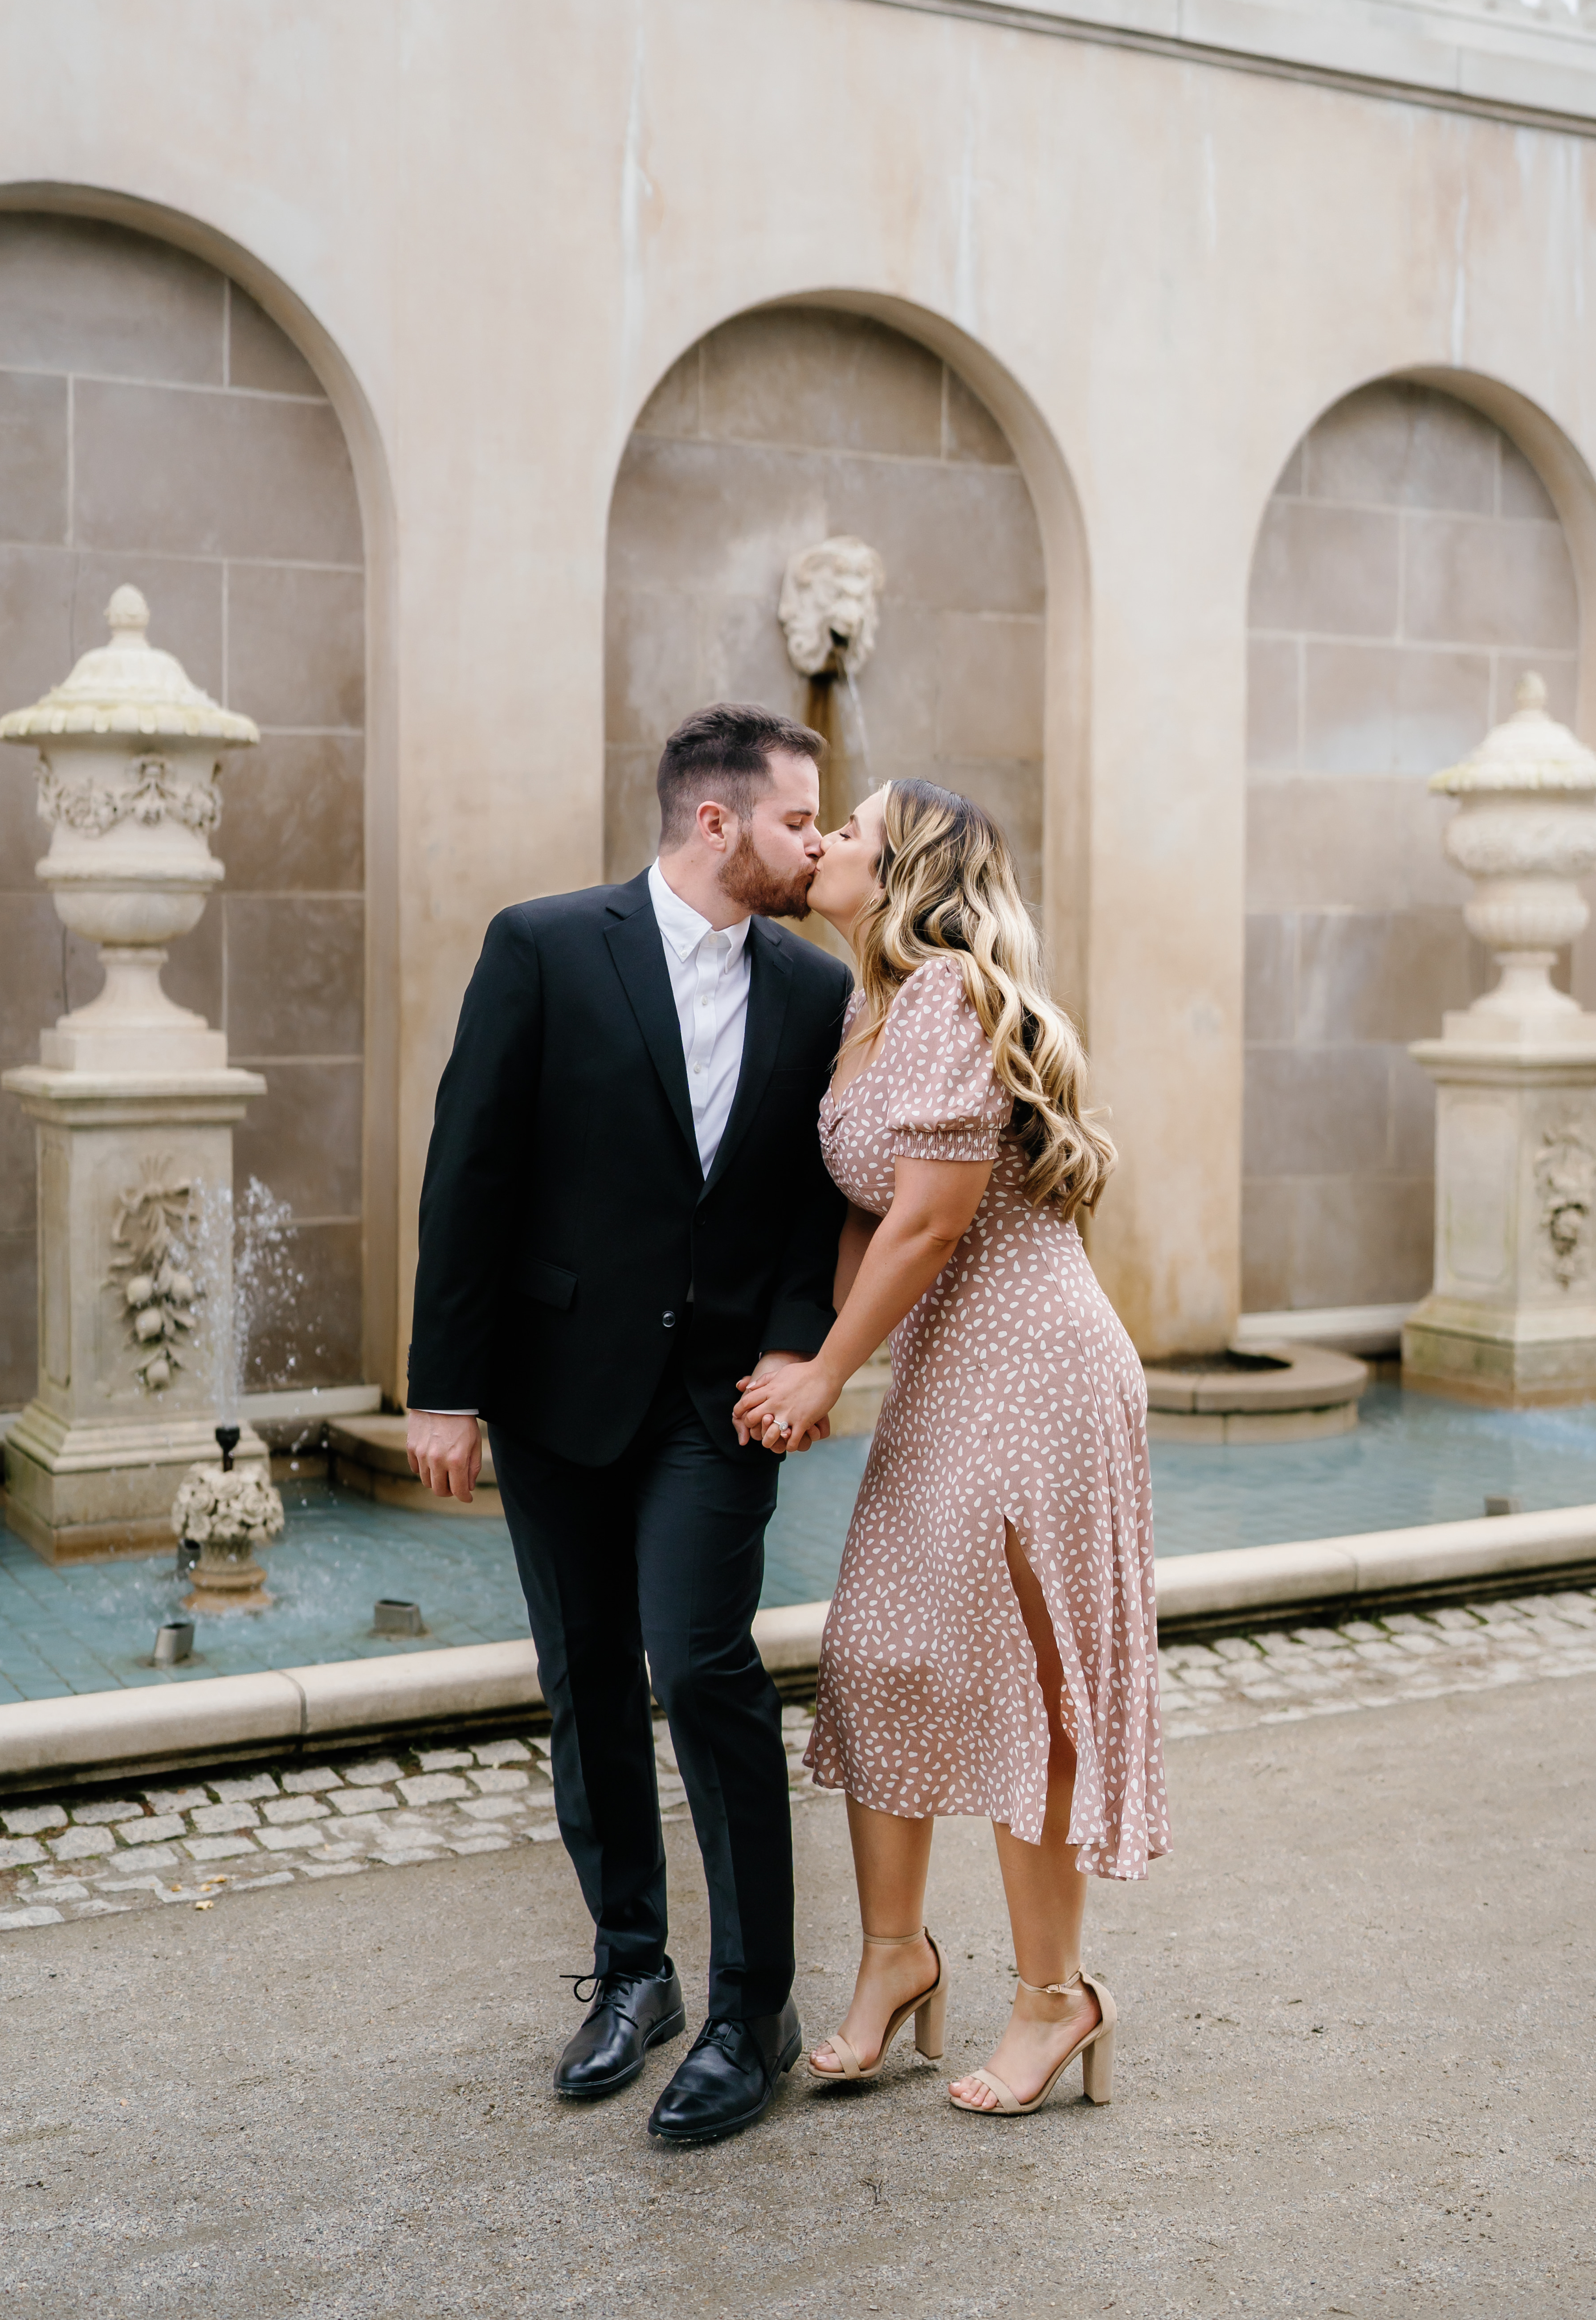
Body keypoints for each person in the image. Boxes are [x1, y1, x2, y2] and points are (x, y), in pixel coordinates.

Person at [403, 705, 853, 2147]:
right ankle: (632, 1972)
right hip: (553, 1388)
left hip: (719, 1402)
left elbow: (807, 1203)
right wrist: (442, 1385)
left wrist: (794, 1348)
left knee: (704, 1663)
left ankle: (751, 2008)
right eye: (800, 820)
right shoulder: (543, 945)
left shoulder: (816, 988)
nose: (819, 844)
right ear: (715, 824)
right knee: (587, 1672)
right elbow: (470, 1161)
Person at [733, 779, 1167, 2118]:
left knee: (1031, 1689)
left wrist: (825, 1376)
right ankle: (897, 1961)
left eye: (848, 830)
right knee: (879, 1654)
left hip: (1036, 1367)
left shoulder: (950, 1000)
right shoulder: (866, 1009)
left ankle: (1055, 2001)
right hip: (942, 1370)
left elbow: (931, 1223)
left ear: (907, 866)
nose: (824, 843)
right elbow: (871, 1221)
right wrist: (818, 1361)